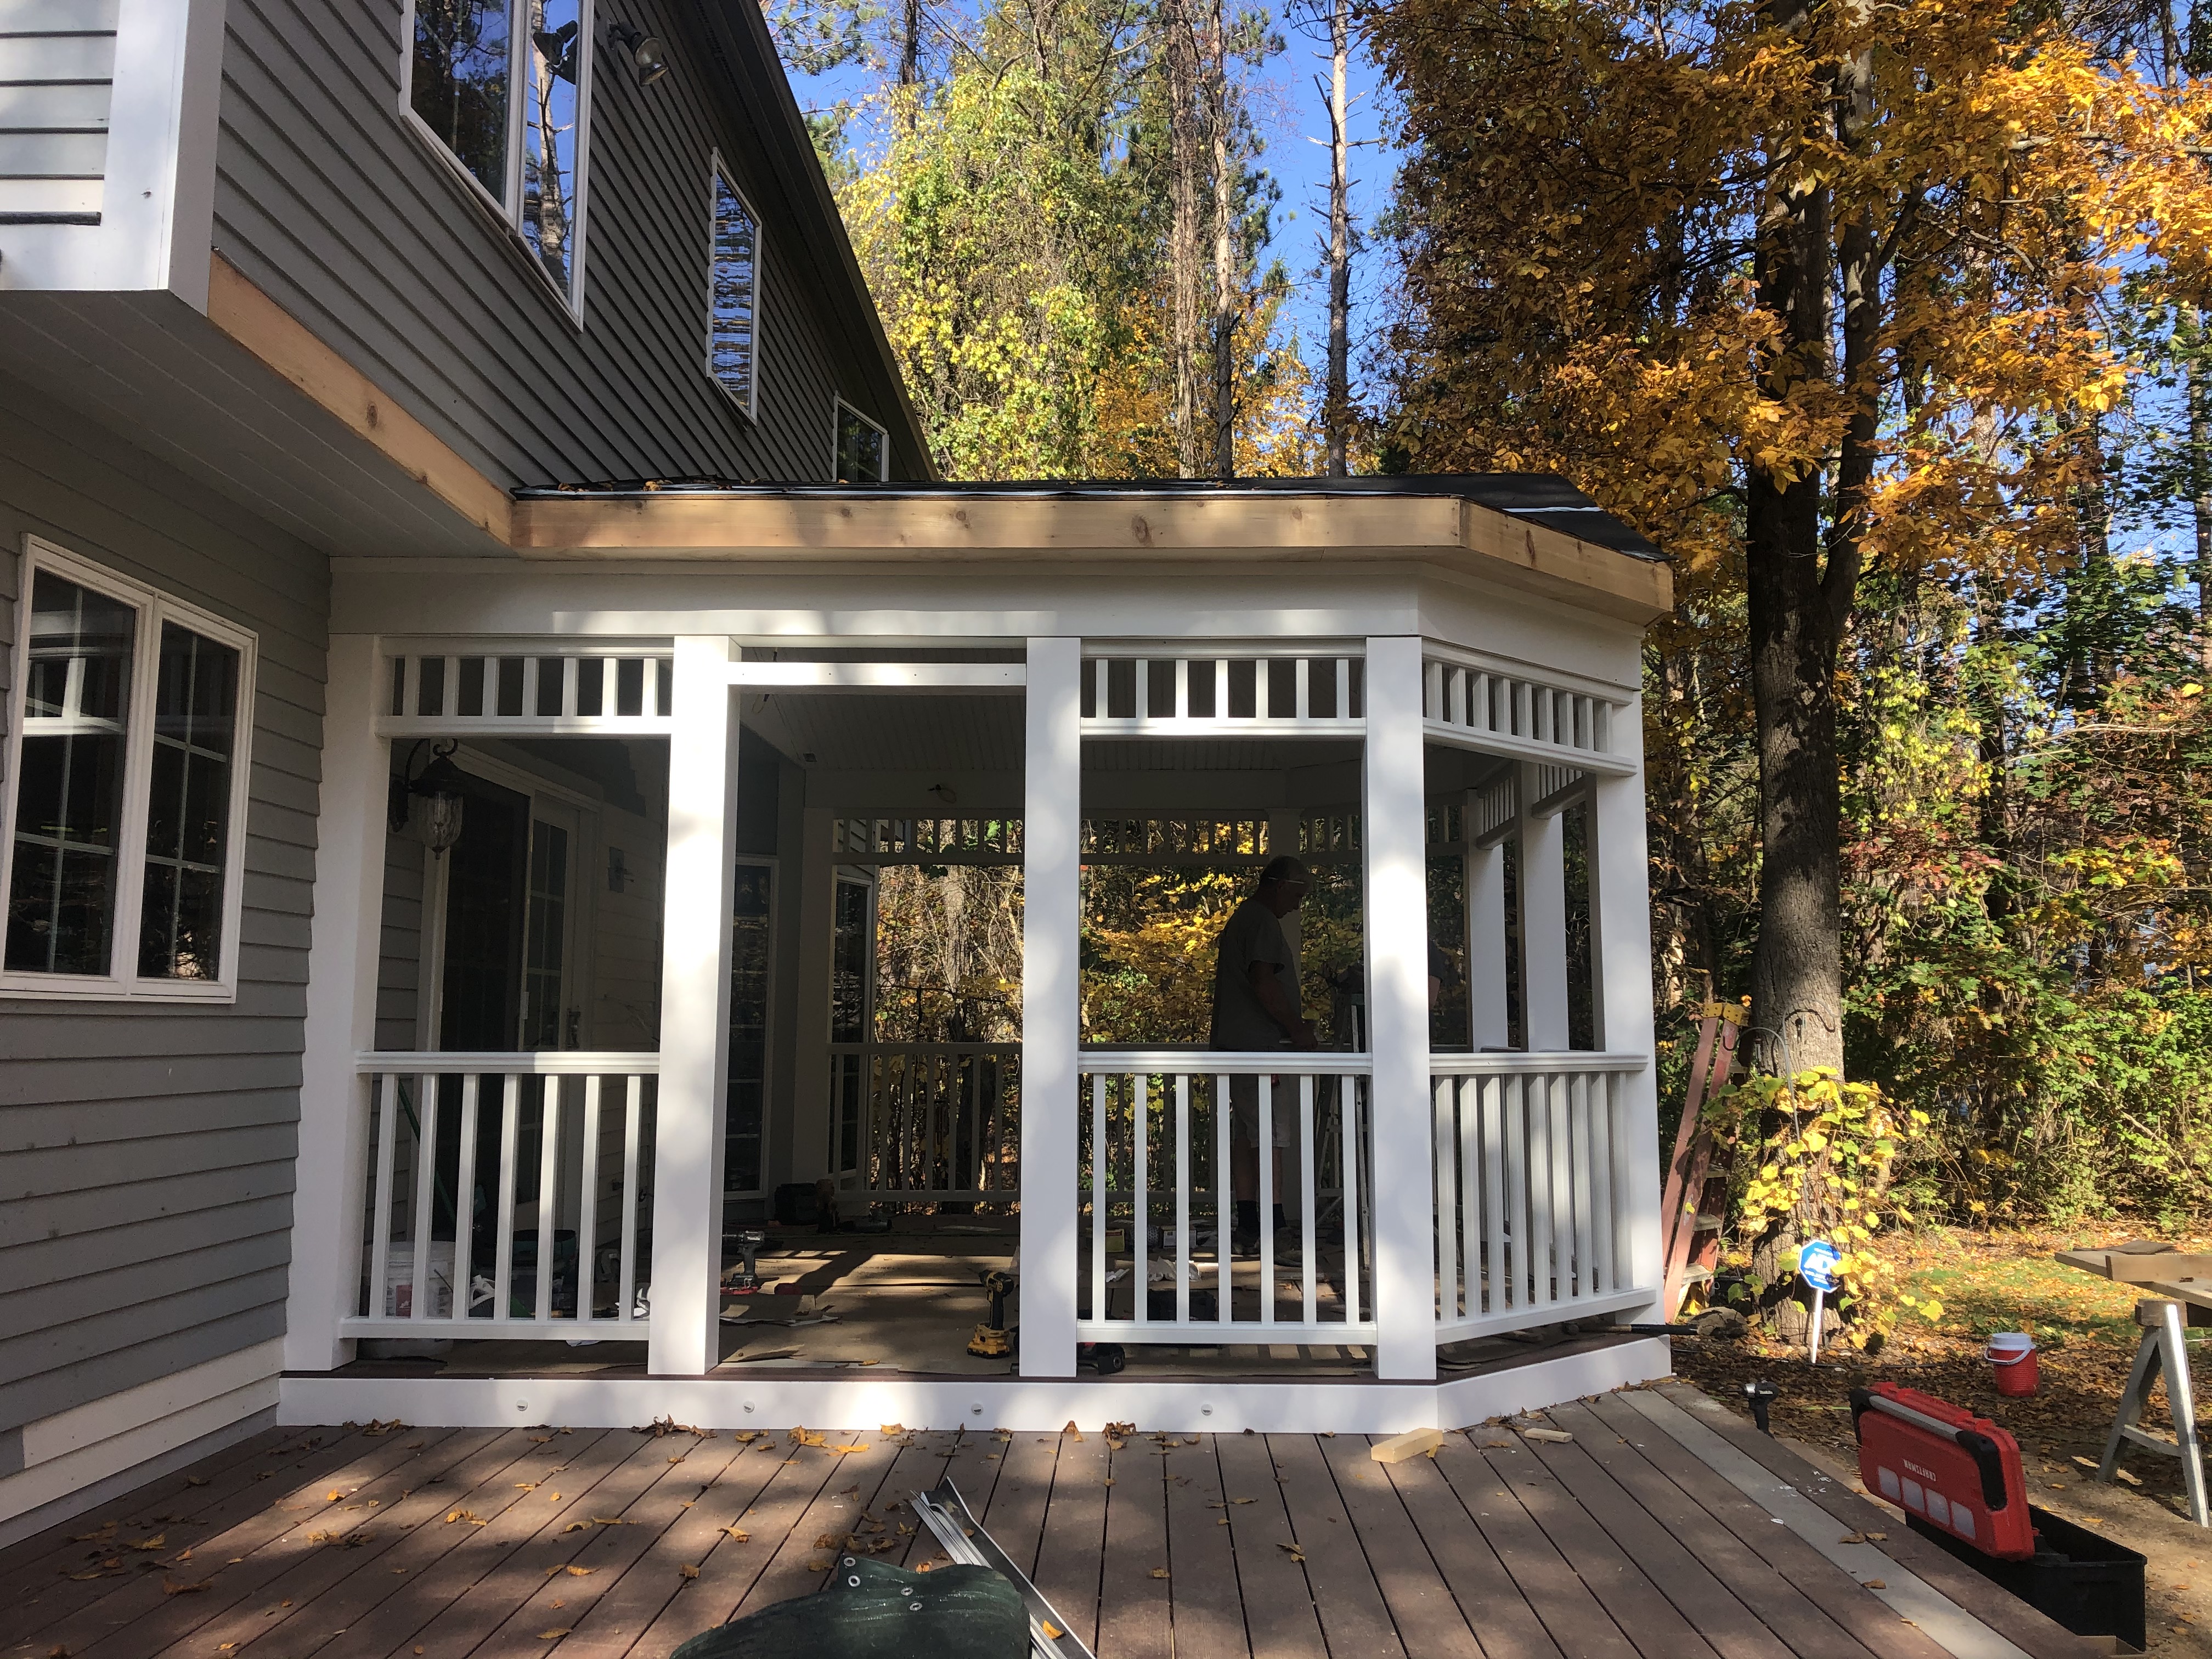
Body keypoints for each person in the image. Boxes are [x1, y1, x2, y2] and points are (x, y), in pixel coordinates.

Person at [1209, 855, 1315, 1257]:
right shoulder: (1262, 922)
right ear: (1279, 885)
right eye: (1298, 894)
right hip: (1260, 1048)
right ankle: (1274, 1230)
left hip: (1238, 1048)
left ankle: (1250, 1226)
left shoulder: (1245, 919)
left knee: (1248, 1135)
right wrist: (1296, 1028)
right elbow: (1264, 981)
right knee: (1270, 1134)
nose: (1298, 905)